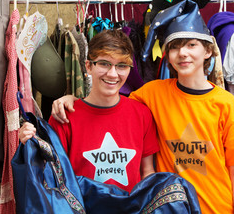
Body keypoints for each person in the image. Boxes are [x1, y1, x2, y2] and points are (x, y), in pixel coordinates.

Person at [51, 0, 234, 213]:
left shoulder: (225, 103)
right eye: (174, 47)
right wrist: (72, 99)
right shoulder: (152, 93)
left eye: (191, 45)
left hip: (217, 208)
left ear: (208, 51)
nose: (183, 53)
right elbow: (108, 98)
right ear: (166, 54)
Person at [19, 29, 159, 193]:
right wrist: (28, 143)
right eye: (104, 64)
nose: (113, 74)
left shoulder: (142, 114)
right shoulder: (63, 116)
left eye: (121, 65)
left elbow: (147, 172)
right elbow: (51, 176)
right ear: (88, 66)